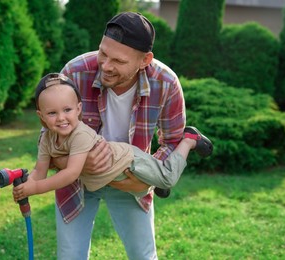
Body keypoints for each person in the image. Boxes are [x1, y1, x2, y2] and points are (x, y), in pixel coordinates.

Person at [20, 12, 210, 259]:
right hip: (76, 181)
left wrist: (145, 181)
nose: (106, 66)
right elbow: (47, 137)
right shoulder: (75, 73)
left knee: (143, 255)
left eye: (118, 61)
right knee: (70, 256)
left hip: (129, 175)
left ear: (145, 60)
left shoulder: (165, 82)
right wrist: (72, 163)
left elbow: (172, 140)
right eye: (103, 53)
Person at [13, 73, 212, 202]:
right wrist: (26, 185)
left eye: (67, 110)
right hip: (114, 174)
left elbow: (71, 173)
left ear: (78, 109)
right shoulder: (47, 139)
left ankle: (189, 139)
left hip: (128, 160)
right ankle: (156, 180)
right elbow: (40, 171)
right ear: (41, 117)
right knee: (142, 188)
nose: (61, 118)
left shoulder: (80, 134)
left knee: (167, 178)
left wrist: (36, 188)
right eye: (52, 113)